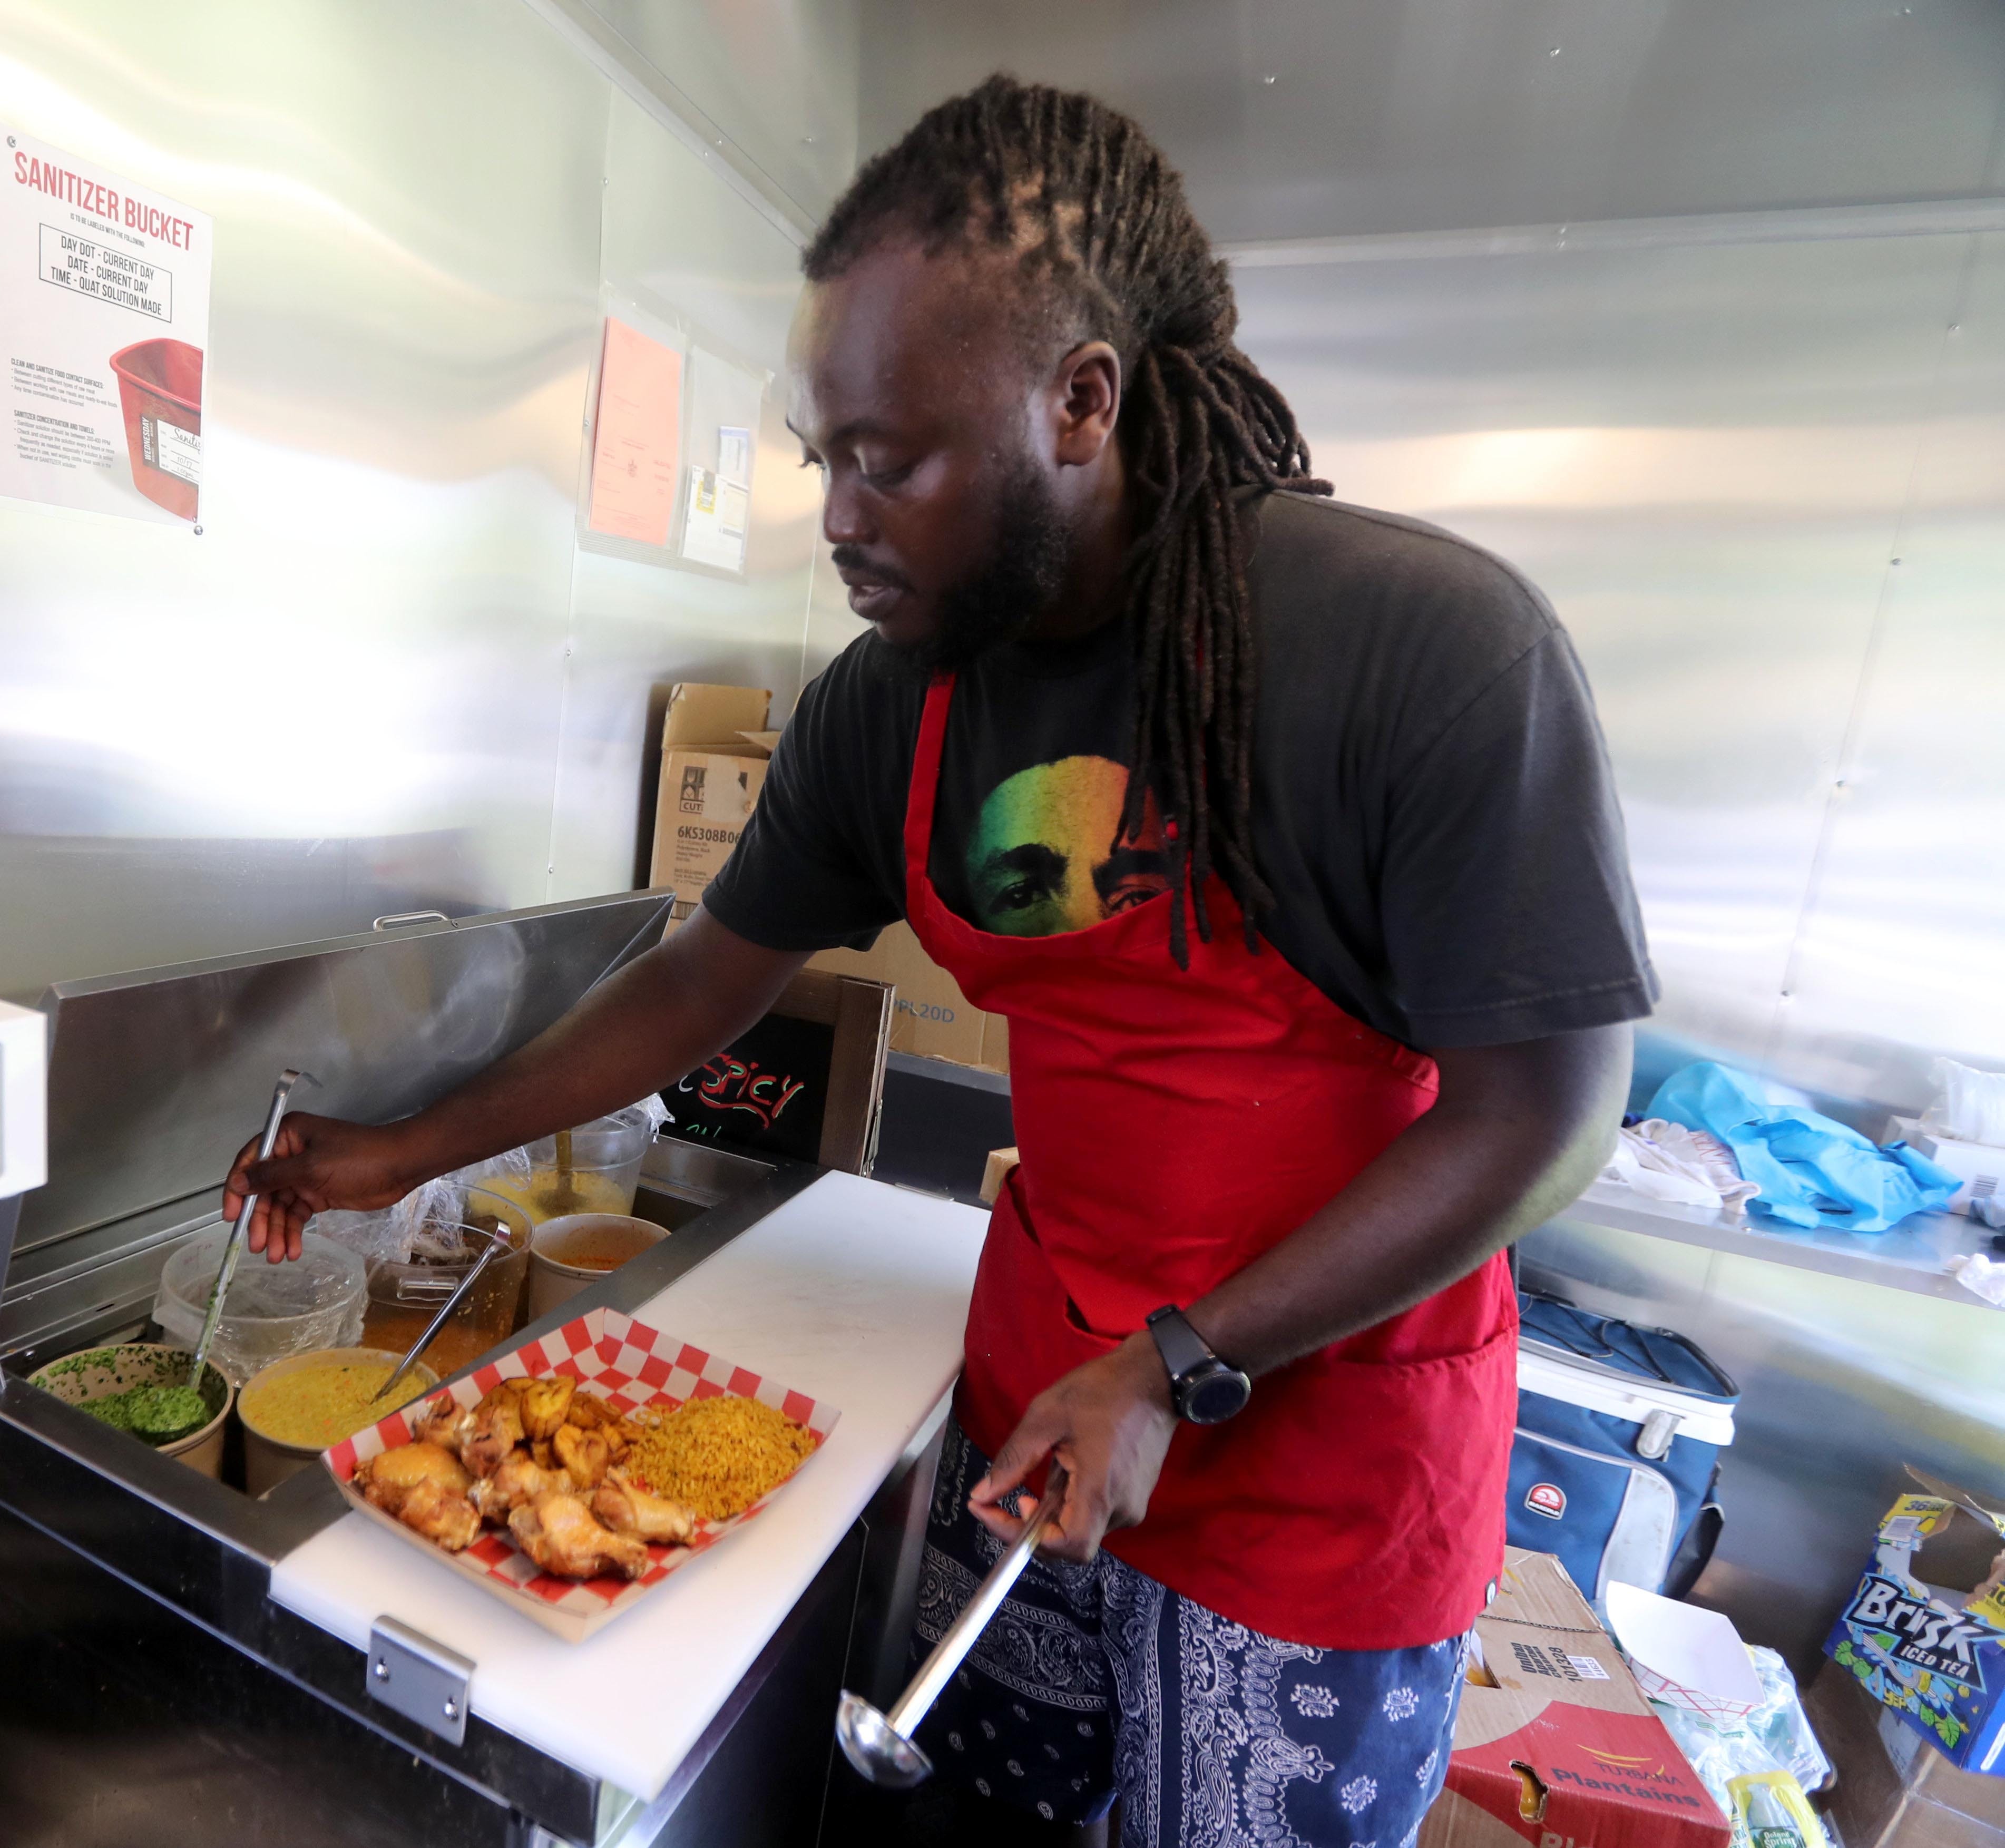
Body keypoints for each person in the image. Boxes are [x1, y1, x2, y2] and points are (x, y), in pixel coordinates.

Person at [223, 76, 1651, 1847]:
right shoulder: (892, 703)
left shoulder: (1421, 649)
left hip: (1324, 1471)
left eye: (889, 457)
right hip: (1042, 1412)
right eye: (831, 457)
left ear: (1080, 401)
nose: (838, 514)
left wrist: (1180, 1361)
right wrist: (400, 1147)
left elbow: (1551, 1113)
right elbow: (698, 986)